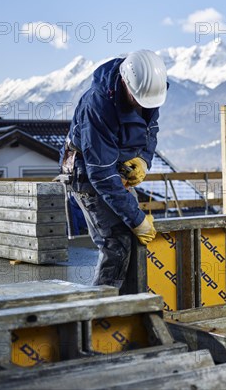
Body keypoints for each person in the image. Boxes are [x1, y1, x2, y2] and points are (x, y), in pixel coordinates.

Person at [60, 49, 168, 291]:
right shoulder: (97, 105)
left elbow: (151, 130)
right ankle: (103, 312)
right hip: (87, 173)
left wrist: (143, 160)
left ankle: (127, 304)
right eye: (138, 99)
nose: (143, 105)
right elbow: (101, 174)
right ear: (125, 82)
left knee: (131, 238)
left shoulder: (150, 92)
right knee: (116, 241)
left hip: (115, 168)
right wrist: (137, 219)